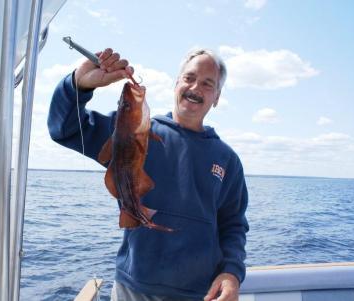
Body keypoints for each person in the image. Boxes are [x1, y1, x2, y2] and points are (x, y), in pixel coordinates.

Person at [48, 47, 249, 301]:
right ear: (176, 84)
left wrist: (231, 272)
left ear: (217, 97)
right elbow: (64, 129)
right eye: (189, 78)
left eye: (207, 83)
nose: (195, 87)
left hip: (200, 293)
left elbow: (233, 224)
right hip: (133, 289)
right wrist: (78, 85)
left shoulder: (227, 160)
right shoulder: (128, 129)